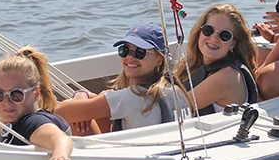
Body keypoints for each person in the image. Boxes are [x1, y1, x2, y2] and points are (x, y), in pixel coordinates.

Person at [55, 22, 187, 135]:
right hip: (166, 155)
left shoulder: (133, 97)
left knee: (78, 119)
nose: (130, 57)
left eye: (140, 52)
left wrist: (80, 95)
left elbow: (61, 112)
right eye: (125, 50)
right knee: (92, 101)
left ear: (159, 60)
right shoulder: (176, 91)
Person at [0, 47, 74, 160]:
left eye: (16, 94)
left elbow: (59, 138)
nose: (6, 102)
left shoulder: (31, 122)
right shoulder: (17, 123)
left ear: (35, 93)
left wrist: (59, 156)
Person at [179, 4, 259, 114]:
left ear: (232, 44)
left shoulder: (228, 76)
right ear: (199, 32)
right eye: (208, 30)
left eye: (224, 35)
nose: (214, 38)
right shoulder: (193, 64)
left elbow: (176, 107)